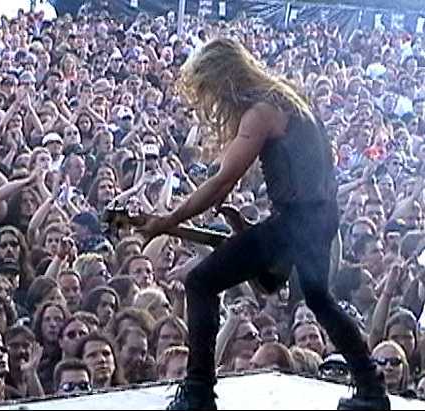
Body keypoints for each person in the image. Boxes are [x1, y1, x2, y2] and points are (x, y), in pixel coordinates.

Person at [140, 38, 390, 410]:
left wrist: (169, 219)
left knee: (200, 282)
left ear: (222, 79)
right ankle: (371, 389)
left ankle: (198, 392)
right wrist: (249, 229)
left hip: (296, 222)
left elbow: (223, 181)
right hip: (319, 218)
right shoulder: (291, 99)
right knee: (319, 299)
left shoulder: (261, 112)